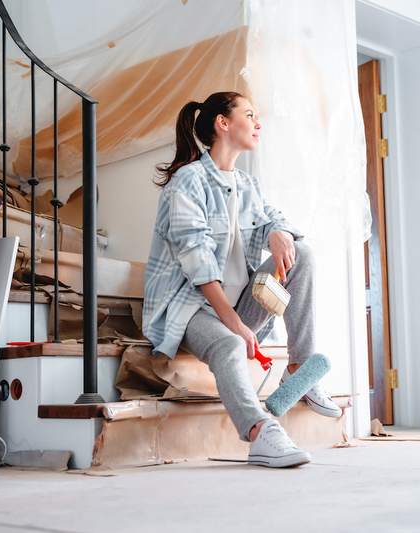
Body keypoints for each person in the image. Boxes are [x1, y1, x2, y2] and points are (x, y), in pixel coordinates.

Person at [142, 91, 341, 468]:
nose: (258, 123)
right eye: (249, 114)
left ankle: (300, 372)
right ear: (223, 123)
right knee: (230, 347)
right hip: (190, 310)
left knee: (305, 253)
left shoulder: (247, 184)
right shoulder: (188, 182)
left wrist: (279, 233)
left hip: (238, 304)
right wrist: (235, 326)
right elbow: (198, 267)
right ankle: (259, 432)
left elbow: (272, 217)